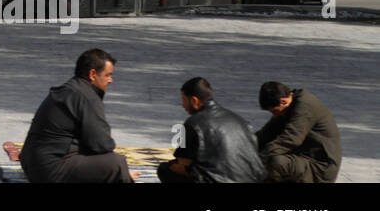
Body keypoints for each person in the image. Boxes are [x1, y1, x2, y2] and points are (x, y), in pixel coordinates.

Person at [19, 48, 134, 183]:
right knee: (116, 163)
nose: (110, 80)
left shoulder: (69, 88)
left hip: (31, 164)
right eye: (107, 75)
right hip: (50, 171)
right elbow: (102, 144)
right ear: (92, 74)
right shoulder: (86, 96)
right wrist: (124, 171)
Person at [158, 77, 266, 183]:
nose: (183, 105)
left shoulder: (193, 123)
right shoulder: (241, 121)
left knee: (165, 169)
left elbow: (181, 162)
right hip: (253, 179)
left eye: (184, 100)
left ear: (194, 100)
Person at [255, 82, 341, 183]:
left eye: (274, 111)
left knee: (276, 162)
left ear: (283, 101)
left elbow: (290, 139)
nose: (275, 115)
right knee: (266, 154)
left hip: (319, 167)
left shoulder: (305, 106)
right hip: (301, 158)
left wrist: (260, 158)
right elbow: (266, 134)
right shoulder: (288, 106)